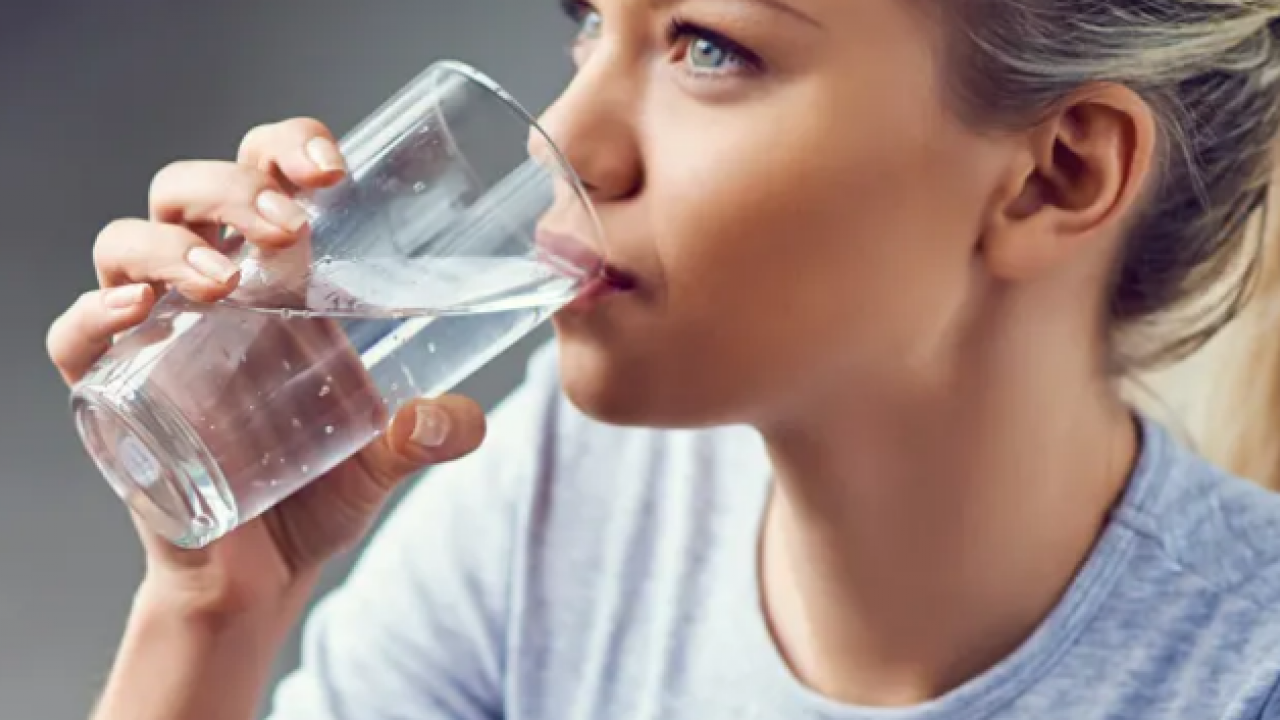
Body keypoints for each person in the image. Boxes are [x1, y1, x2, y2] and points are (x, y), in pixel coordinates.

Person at [43, 0, 1280, 717]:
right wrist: (211, 613)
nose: (566, 140)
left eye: (708, 47)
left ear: (1055, 174)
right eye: (590, 23)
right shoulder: (548, 507)